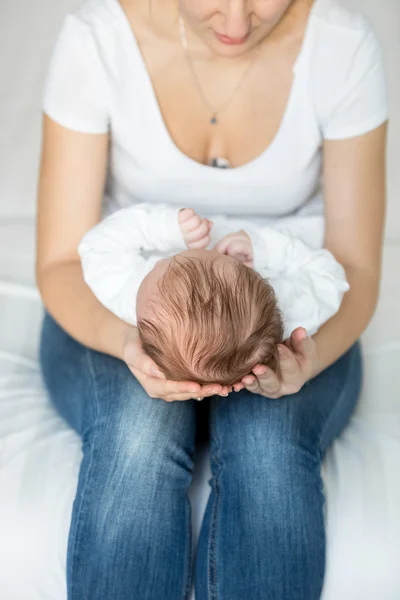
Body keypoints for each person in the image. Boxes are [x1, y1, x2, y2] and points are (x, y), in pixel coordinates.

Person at [36, 0, 387, 598]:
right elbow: (63, 262)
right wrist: (128, 342)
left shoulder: (341, 46)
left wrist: (306, 361)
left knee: (267, 445)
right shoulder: (96, 41)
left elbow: (353, 269)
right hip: (125, 308)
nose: (235, 23)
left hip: (290, 309)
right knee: (136, 435)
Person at [78, 203, 349, 384]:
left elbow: (98, 246)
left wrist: (165, 229)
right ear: (243, 269)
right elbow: (330, 276)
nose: (158, 261)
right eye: (173, 260)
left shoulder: (131, 298)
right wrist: (264, 249)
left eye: (161, 264)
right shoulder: (293, 308)